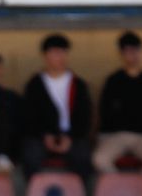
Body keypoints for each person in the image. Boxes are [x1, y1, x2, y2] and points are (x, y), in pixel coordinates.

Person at [21, 34, 93, 182]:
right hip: (41, 135)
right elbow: (28, 116)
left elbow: (85, 116)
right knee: (30, 154)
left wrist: (70, 137)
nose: (59, 57)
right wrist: (45, 136)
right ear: (45, 56)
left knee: (82, 156)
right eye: (54, 53)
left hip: (71, 134)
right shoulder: (35, 84)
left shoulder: (78, 84)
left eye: (62, 52)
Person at [92, 31, 142, 175]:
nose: (133, 55)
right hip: (116, 134)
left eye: (136, 50)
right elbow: (105, 111)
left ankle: (139, 190)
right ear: (121, 54)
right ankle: (119, 187)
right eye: (128, 51)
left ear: (141, 51)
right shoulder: (113, 81)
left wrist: (128, 117)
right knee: (99, 159)